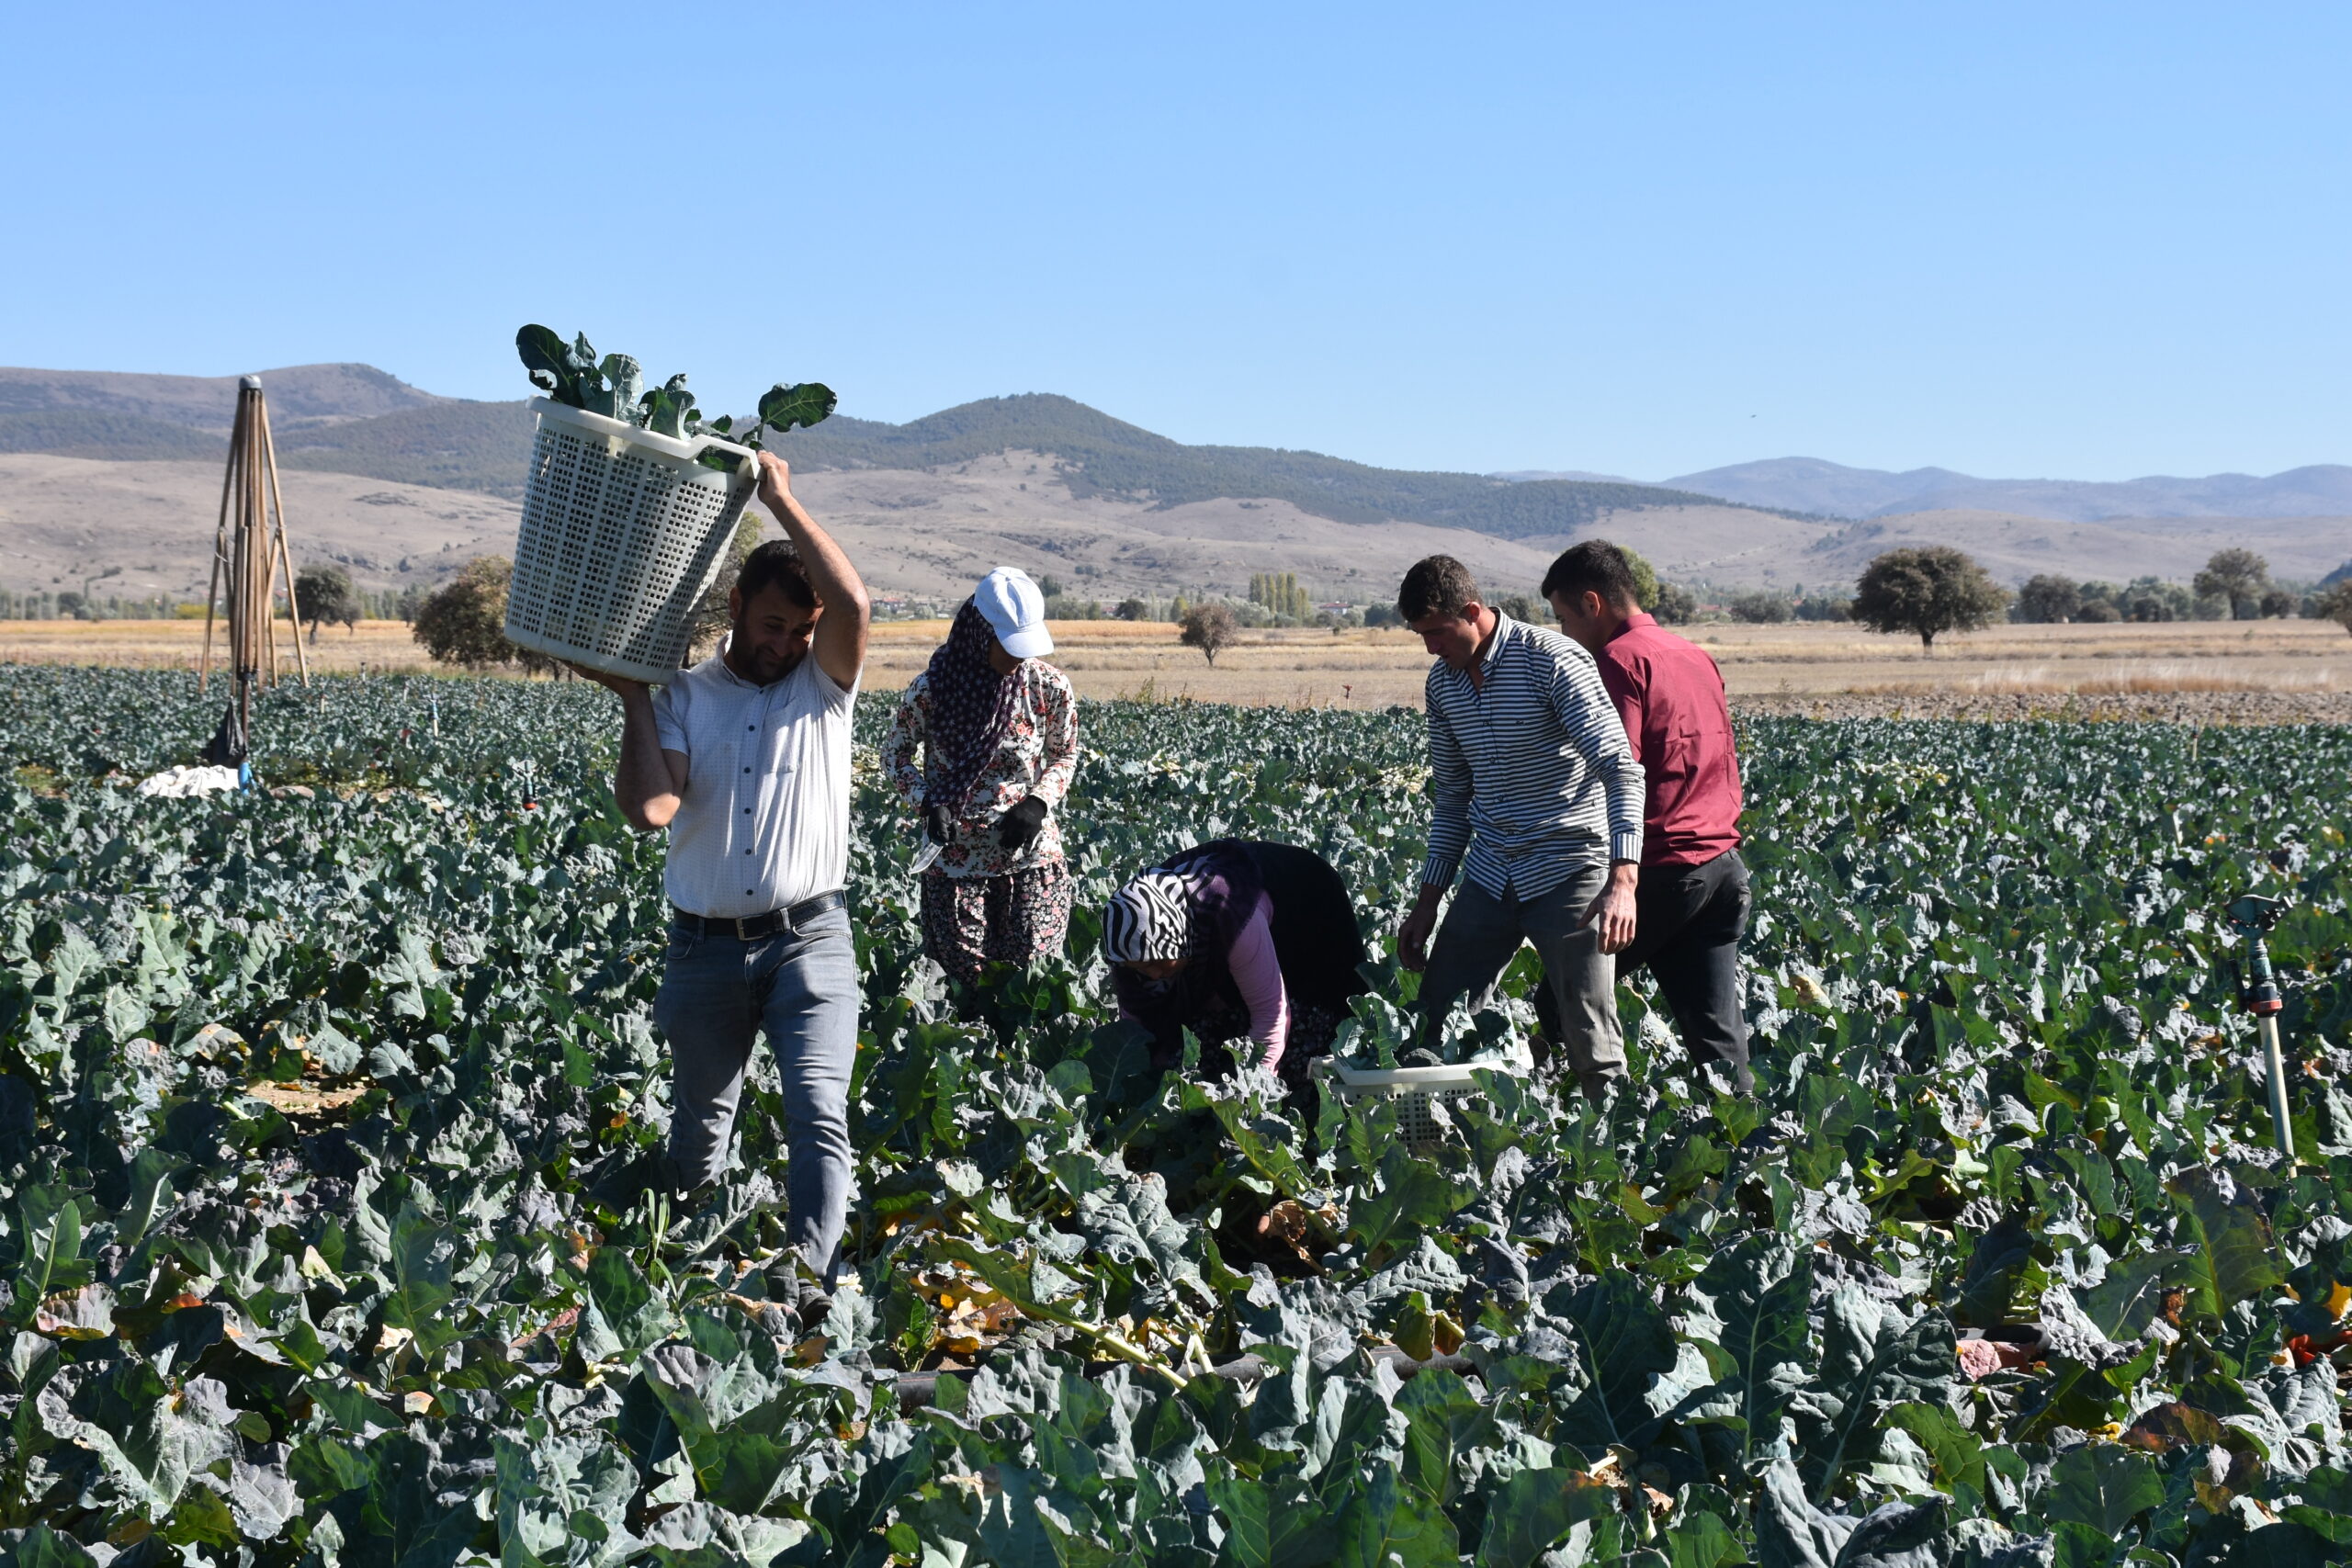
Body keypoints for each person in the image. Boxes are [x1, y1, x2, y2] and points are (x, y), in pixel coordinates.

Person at [573, 451, 870, 1334]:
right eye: (772, 624)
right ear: (736, 608)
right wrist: (631, 698)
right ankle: (699, 1283)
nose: (785, 645)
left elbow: (854, 608)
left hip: (810, 939)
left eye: (798, 631)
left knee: (819, 1110)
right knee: (700, 1128)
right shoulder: (684, 695)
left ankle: (811, 1287)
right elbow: (651, 808)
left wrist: (780, 496)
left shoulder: (826, 686)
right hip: (703, 948)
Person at [1393, 555, 1645, 1100]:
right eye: (1421, 636)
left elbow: (1619, 769)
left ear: (1473, 611)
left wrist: (1622, 883)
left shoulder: (1553, 661)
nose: (1430, 647)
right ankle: (1438, 1146)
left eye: (1436, 632)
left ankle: (1620, 1161)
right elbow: (1454, 799)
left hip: (1568, 864)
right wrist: (1427, 901)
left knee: (1589, 1031)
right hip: (1491, 869)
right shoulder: (1443, 687)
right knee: (1438, 1013)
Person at [1543, 541, 1754, 1093]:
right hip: (1722, 867)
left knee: (1559, 1000)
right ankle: (1747, 1157)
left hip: (1660, 870)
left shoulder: (1617, 662)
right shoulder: (1692, 654)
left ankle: (1583, 1137)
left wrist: (1618, 880)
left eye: (1565, 618)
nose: (1566, 635)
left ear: (1593, 604)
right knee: (1718, 1043)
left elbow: (1618, 769)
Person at [882, 568, 1079, 985]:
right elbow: (895, 756)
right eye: (1009, 645)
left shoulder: (1049, 687)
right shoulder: (933, 690)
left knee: (1033, 986)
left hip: (1031, 862)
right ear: (979, 633)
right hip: (956, 868)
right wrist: (928, 802)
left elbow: (1065, 753)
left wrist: (1037, 803)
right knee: (965, 992)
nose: (1018, 657)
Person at [1102, 839, 1368, 1087]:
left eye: (1159, 962)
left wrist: (1254, 1090)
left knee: (1304, 1050)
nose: (1153, 975)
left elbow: (1271, 1016)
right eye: (1141, 968)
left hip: (1308, 909)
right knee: (1193, 1046)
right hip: (1227, 932)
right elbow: (1137, 1029)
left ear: (1180, 939)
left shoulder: (1230, 912)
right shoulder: (1130, 940)